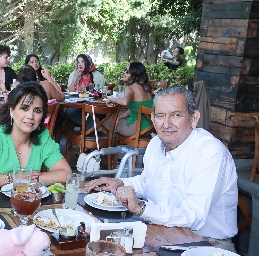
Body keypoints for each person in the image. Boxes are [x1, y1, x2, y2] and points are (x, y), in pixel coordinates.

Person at [86, 86, 238, 251]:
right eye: (160, 116)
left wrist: (141, 208)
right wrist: (118, 182)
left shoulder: (209, 153)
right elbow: (147, 182)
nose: (166, 124)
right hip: (161, 233)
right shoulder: (155, 144)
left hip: (208, 243)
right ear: (152, 118)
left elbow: (193, 216)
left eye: (176, 115)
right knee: (96, 242)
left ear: (194, 118)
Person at [0, 82, 72, 191]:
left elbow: (66, 174)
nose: (30, 116)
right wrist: (13, 177)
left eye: (37, 111)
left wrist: (29, 178)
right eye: (24, 108)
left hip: (26, 205)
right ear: (11, 111)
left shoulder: (42, 137)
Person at [106, 61, 153, 136]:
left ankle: (105, 143)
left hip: (135, 129)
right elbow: (136, 109)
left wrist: (111, 99)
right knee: (118, 115)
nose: (124, 72)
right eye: (125, 70)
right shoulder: (147, 88)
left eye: (127, 71)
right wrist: (120, 117)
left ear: (134, 75)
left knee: (109, 118)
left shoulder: (130, 88)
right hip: (148, 129)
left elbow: (125, 102)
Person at [66, 54, 106, 129]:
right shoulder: (73, 74)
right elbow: (71, 92)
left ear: (88, 62)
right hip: (78, 106)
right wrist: (75, 78)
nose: (80, 64)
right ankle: (92, 128)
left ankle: (88, 132)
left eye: (82, 61)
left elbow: (103, 93)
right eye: (78, 62)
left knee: (95, 113)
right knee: (70, 112)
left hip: (93, 106)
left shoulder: (97, 75)